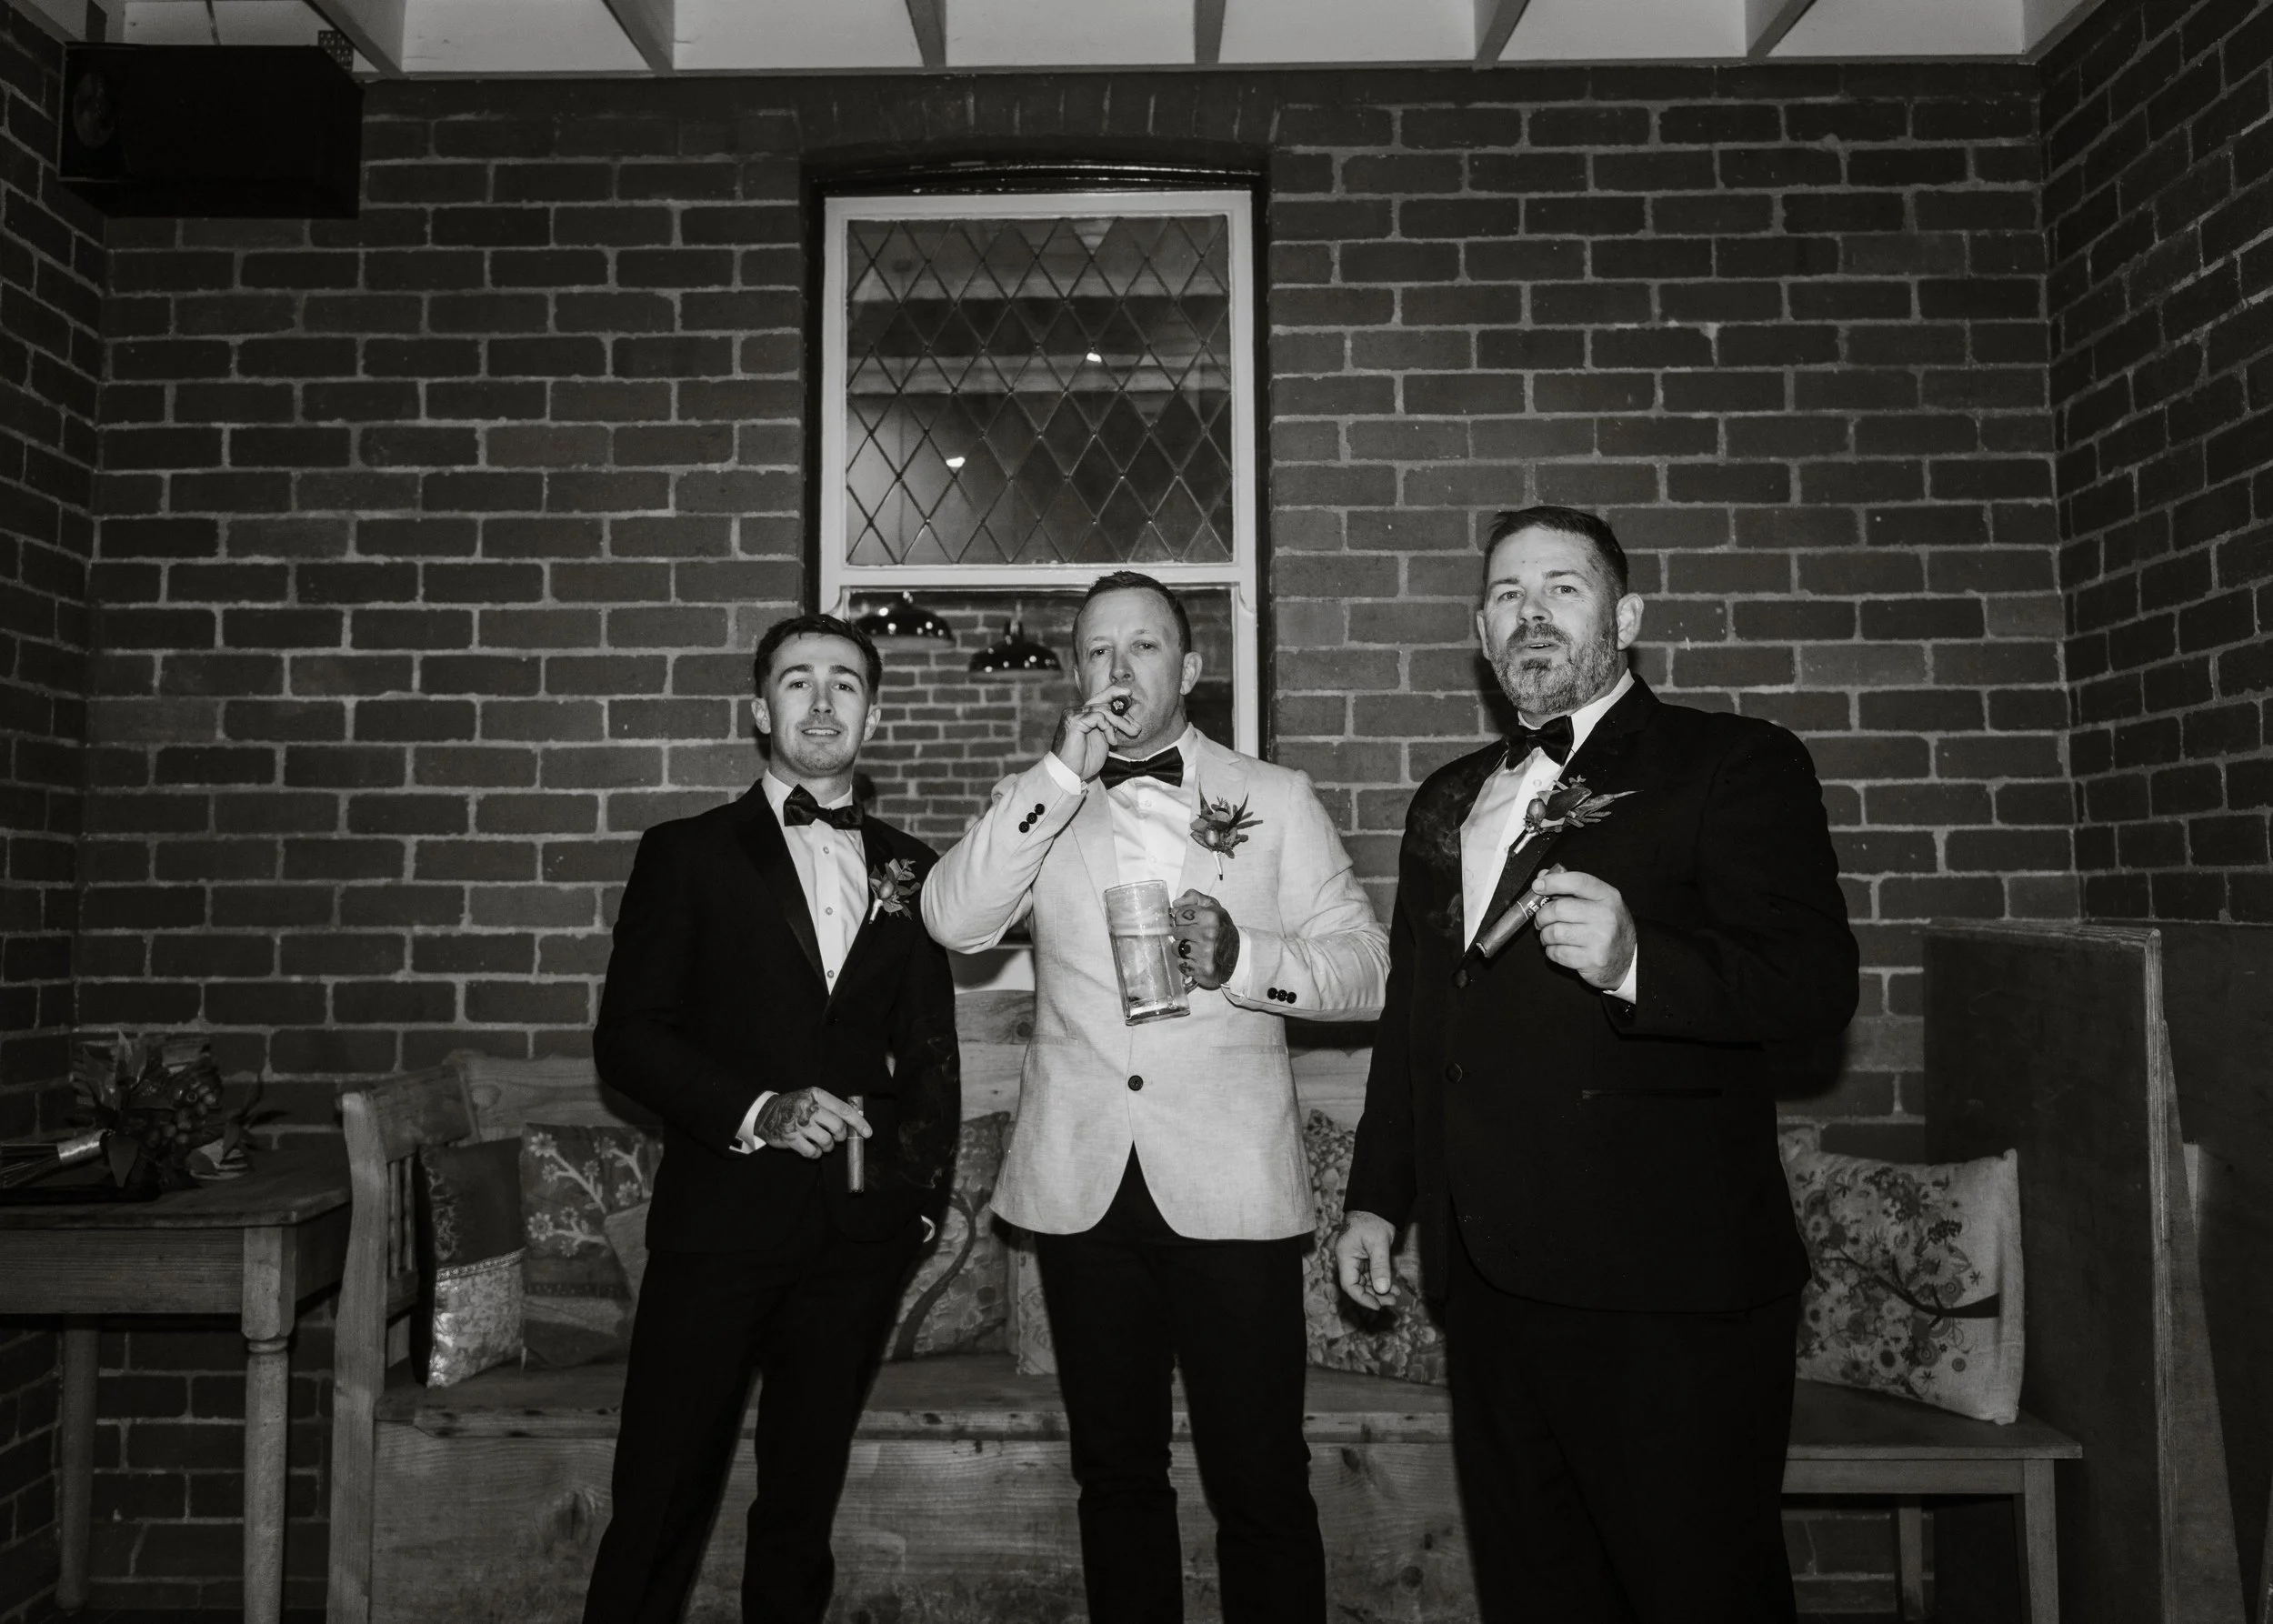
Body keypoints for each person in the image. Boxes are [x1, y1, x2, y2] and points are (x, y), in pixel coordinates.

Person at [1336, 506, 1858, 1624]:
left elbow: (1814, 984)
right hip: (1485, 1284)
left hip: (1665, 1288)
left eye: (1561, 587)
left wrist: (1637, 963)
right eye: (1508, 595)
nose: (1532, 612)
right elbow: (1415, 1019)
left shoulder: (1731, 762)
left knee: (1695, 1591)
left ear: (1624, 616)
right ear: (1481, 632)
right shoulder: (1445, 800)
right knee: (1539, 1592)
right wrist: (1377, 1198)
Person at [923, 570, 1389, 1624]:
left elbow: (1369, 968)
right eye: (1095, 651)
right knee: (1117, 1477)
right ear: (1076, 673)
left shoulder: (1273, 797)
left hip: (1230, 1189)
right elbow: (951, 921)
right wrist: (1055, 777)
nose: (1118, 669)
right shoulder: (1036, 800)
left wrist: (1246, 956)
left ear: (1190, 668)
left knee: (1260, 1482)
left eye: (1142, 648)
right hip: (1083, 1189)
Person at [582, 613, 960, 1624]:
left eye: (845, 682)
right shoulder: (686, 854)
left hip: (855, 1241)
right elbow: (629, 1037)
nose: (823, 700)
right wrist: (757, 1107)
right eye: (797, 681)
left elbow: (930, 1058)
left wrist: (915, 1211)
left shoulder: (916, 873)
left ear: (872, 714)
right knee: (659, 1493)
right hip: (717, 1226)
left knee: (801, 1506)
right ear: (760, 711)